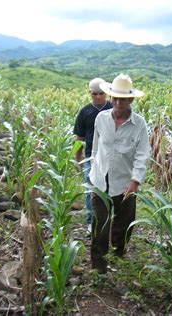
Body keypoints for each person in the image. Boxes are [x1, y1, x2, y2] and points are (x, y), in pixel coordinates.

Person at [89, 74, 150, 274]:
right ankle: (99, 267)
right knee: (100, 225)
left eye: (122, 99)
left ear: (130, 100)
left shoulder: (139, 124)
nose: (117, 102)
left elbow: (142, 155)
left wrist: (135, 180)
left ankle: (118, 252)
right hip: (100, 179)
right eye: (114, 98)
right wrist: (92, 168)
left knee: (123, 223)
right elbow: (96, 149)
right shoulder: (101, 118)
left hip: (125, 182)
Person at [73, 78, 113, 233]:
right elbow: (79, 139)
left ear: (106, 94)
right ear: (90, 93)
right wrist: (78, 159)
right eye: (94, 94)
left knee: (110, 190)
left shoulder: (113, 108)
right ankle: (91, 222)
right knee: (91, 191)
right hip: (91, 157)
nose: (98, 97)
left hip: (111, 157)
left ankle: (107, 220)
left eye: (101, 94)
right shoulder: (84, 112)